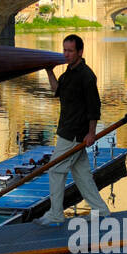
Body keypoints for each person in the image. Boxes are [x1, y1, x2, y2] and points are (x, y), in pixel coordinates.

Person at [39, 34, 110, 225]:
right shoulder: (68, 73)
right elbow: (57, 91)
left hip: (74, 133)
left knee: (55, 170)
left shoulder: (87, 76)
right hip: (66, 129)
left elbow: (94, 107)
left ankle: (56, 214)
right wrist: (49, 71)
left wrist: (91, 133)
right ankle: (101, 211)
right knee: (82, 175)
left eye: (70, 51)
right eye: (64, 50)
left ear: (80, 52)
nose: (66, 54)